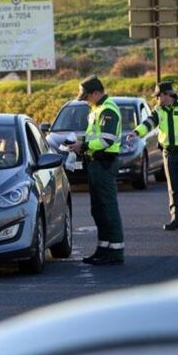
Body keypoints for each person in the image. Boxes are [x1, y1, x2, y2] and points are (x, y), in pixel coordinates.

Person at [127, 81, 178, 230]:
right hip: (169, 153)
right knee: (174, 187)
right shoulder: (159, 110)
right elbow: (149, 123)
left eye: (158, 96)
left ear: (167, 95)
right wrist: (136, 132)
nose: (157, 99)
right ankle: (177, 220)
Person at [68, 75, 125, 265]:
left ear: (96, 93)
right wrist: (80, 143)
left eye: (86, 97)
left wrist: (83, 146)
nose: (84, 100)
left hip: (104, 163)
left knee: (107, 207)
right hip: (95, 163)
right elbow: (95, 136)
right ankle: (103, 248)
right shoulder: (96, 109)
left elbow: (106, 140)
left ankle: (115, 250)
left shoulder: (108, 110)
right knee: (98, 209)